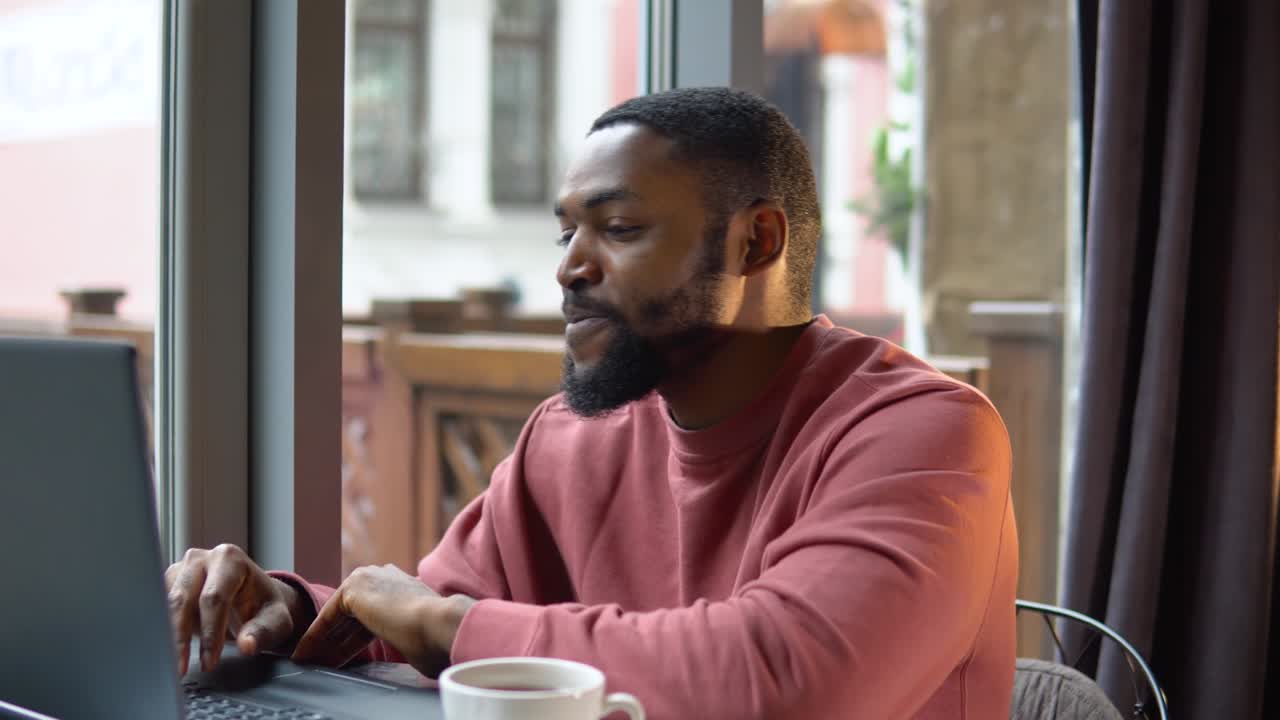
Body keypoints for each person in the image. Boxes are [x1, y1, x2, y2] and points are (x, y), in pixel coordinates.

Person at [165, 87, 1018, 719]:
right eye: (564, 232)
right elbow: (428, 629)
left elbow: (790, 683)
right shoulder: (570, 440)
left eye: (617, 229)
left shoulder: (928, 433)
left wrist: (449, 624)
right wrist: (288, 613)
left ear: (757, 241)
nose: (570, 265)